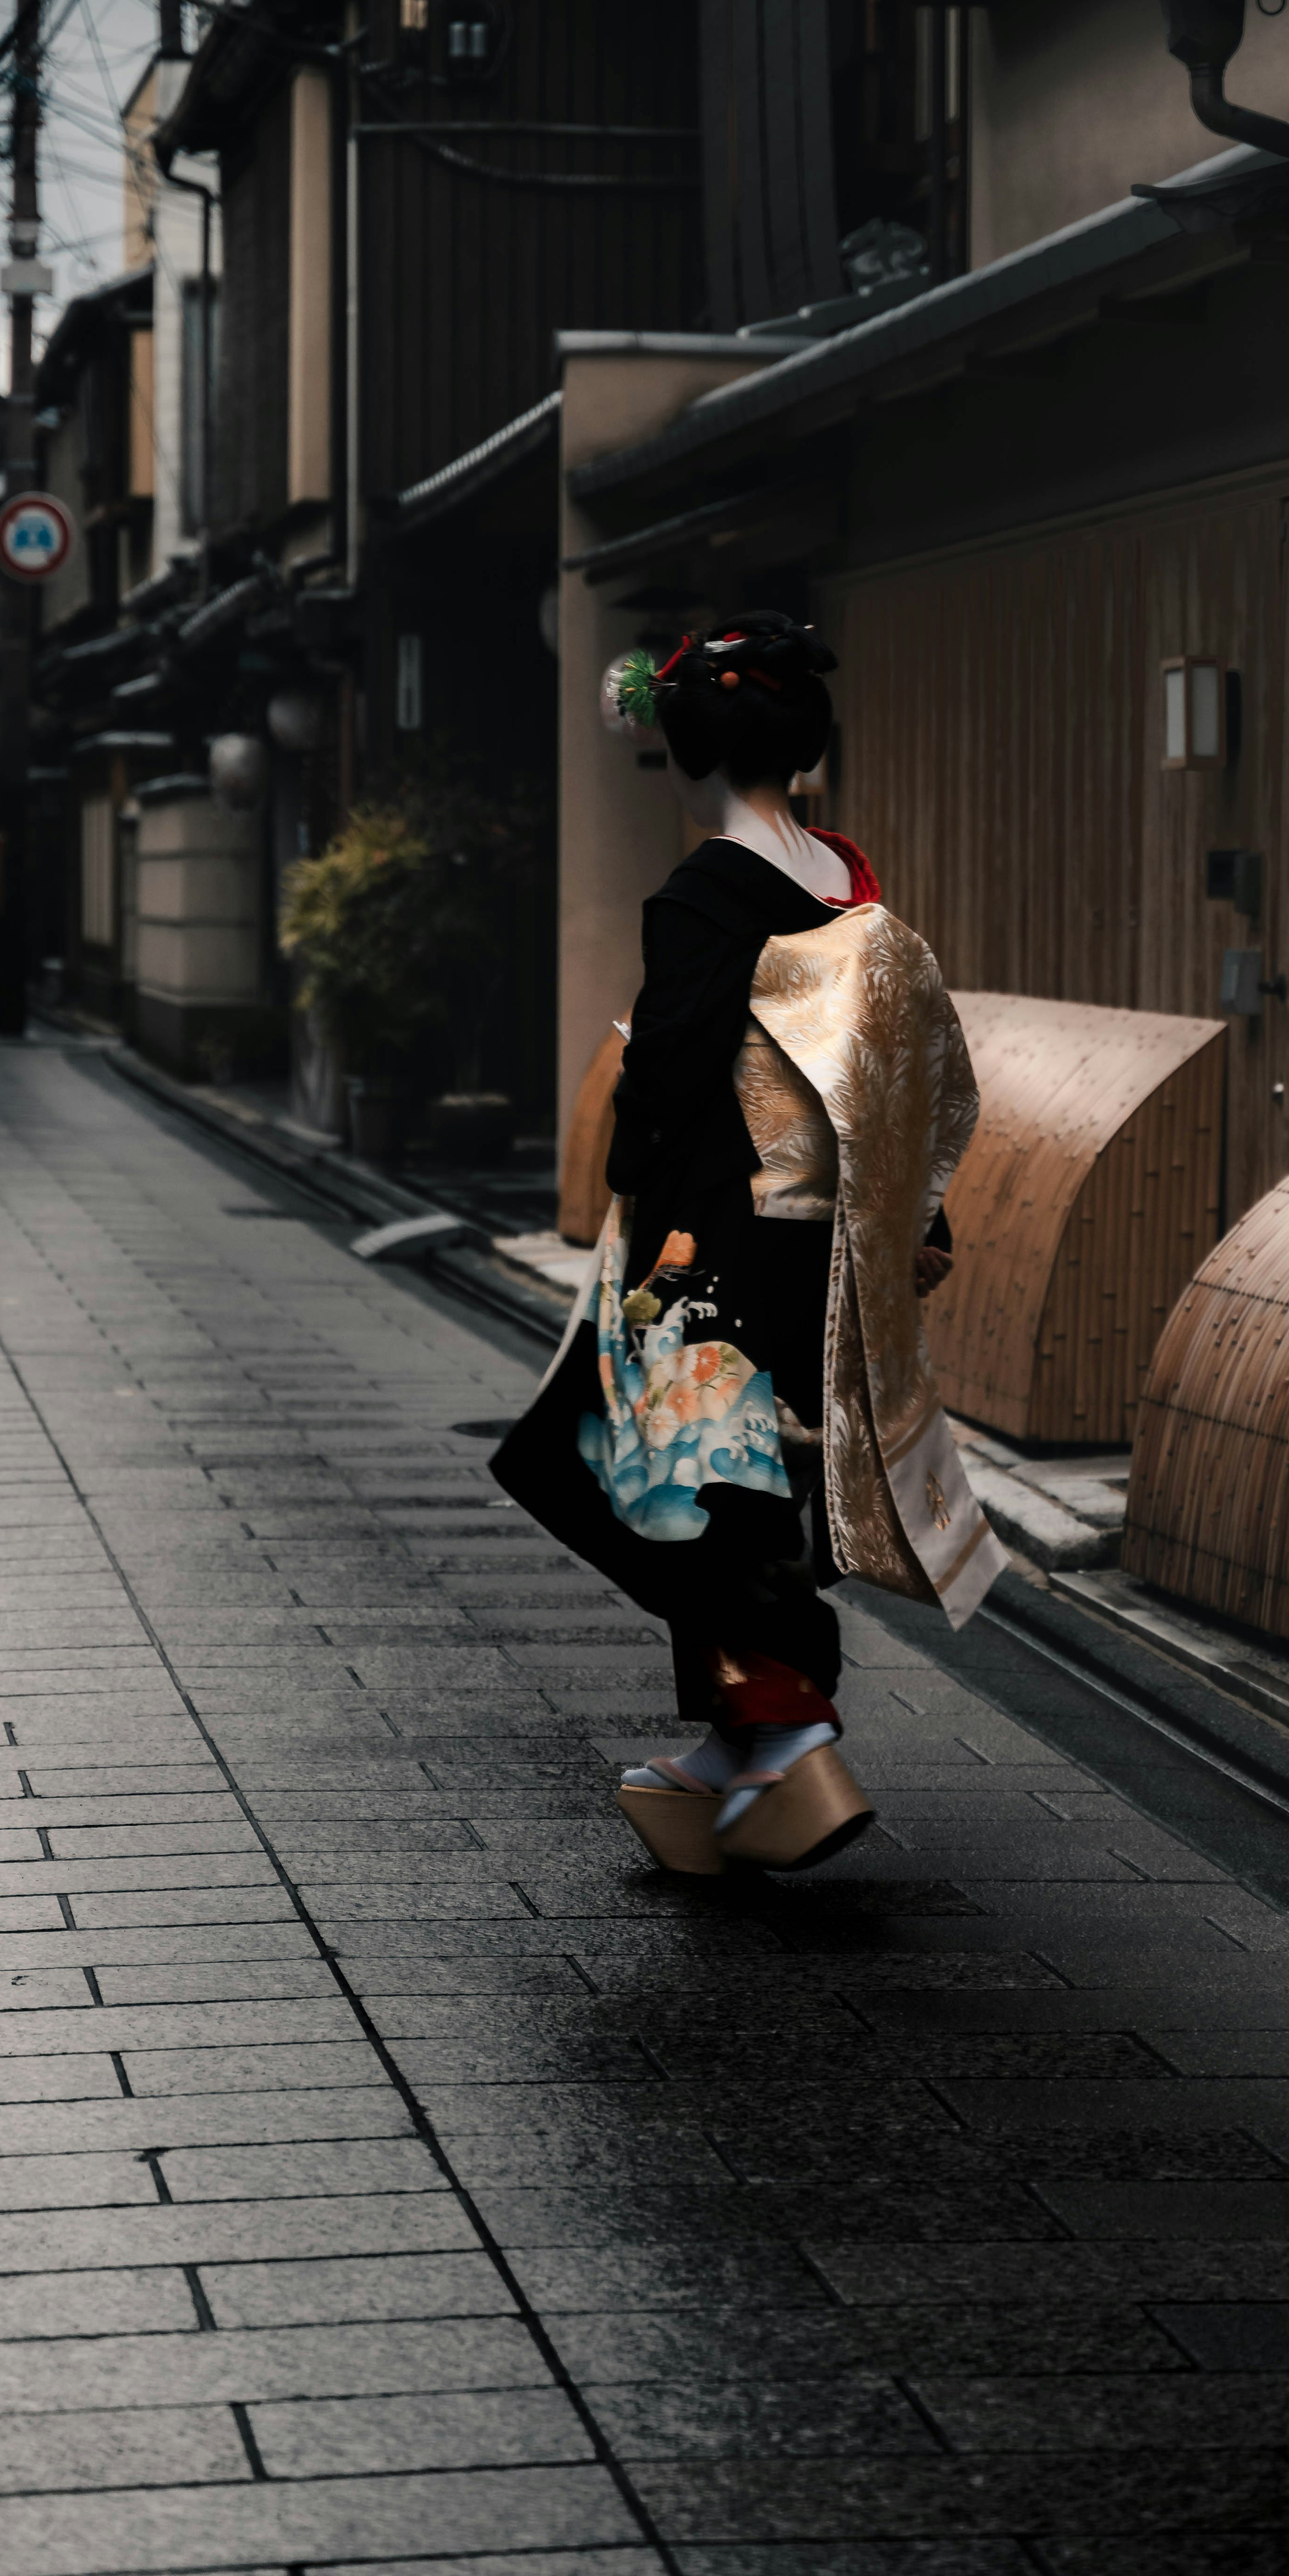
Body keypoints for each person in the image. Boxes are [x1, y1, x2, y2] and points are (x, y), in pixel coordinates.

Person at [493, 612, 1003, 1872]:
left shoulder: (705, 897)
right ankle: (729, 1751)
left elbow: (667, 1076)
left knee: (650, 1474)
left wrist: (645, 1212)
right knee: (755, 1476)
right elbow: (904, 1082)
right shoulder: (850, 889)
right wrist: (915, 1219)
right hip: (827, 1239)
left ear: (685, 755)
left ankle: (780, 1732)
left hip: (714, 1224)